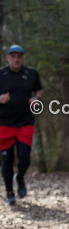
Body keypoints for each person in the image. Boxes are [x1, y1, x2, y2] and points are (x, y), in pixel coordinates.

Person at [0, 45, 42, 205]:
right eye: (13, 56)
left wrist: (36, 99)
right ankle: (10, 193)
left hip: (25, 123)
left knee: (24, 158)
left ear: (23, 58)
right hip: (4, 124)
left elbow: (38, 91)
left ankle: (20, 177)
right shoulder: (1, 74)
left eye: (19, 56)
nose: (16, 59)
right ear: (8, 58)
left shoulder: (31, 74)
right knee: (7, 159)